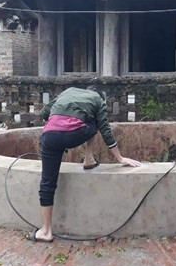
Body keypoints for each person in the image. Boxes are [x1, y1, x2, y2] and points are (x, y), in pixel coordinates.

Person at [31, 86, 141, 243]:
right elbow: (104, 128)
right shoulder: (98, 100)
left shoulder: (68, 91)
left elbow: (44, 113)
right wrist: (120, 158)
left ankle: (46, 231)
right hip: (75, 135)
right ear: (100, 96)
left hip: (50, 137)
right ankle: (88, 159)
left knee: (47, 183)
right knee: (94, 121)